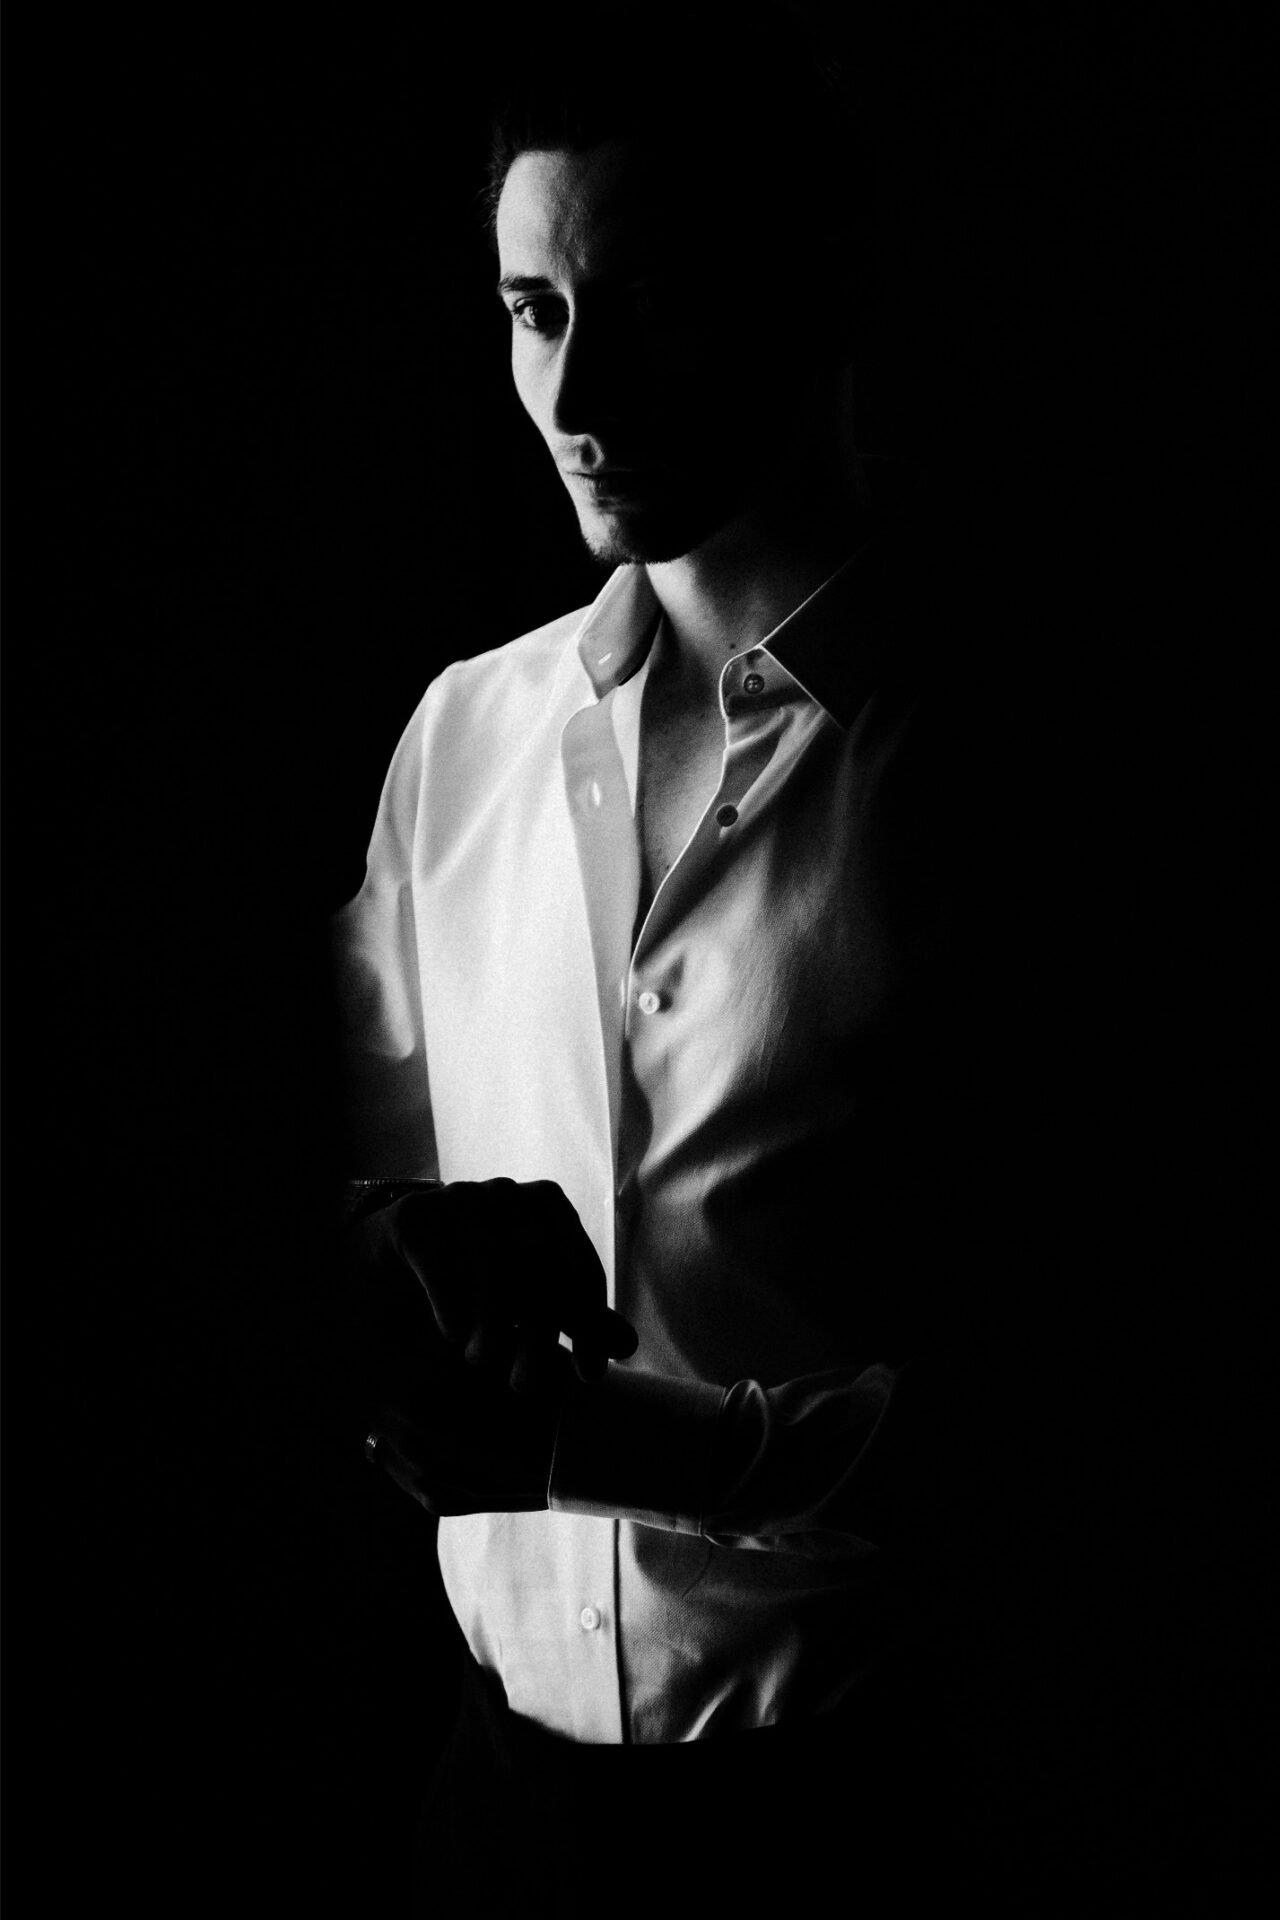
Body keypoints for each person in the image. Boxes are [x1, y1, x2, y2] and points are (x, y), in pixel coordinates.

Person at [333, 24, 1066, 1913]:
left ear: (816, 295)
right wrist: (390, 1255)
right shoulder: (462, 740)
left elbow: (1084, 1414)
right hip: (488, 1824)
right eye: (533, 310)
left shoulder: (1007, 771)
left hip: (873, 1830)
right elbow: (339, 1182)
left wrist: (607, 1444)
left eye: (646, 301)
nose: (575, 392)